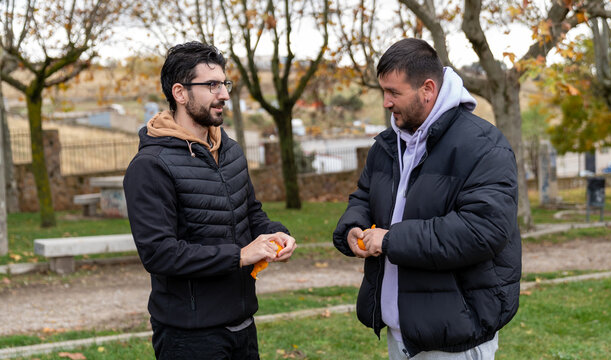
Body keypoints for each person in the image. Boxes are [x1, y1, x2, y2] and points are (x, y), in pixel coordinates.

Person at [333, 38, 521, 359]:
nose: (386, 102)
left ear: (428, 89)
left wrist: (390, 240)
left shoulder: (484, 145)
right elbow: (364, 197)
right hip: (401, 332)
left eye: (394, 92)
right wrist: (353, 227)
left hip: (456, 335)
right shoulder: (387, 144)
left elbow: (481, 231)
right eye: (383, 91)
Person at [124, 41, 296, 360]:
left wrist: (276, 233)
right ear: (180, 92)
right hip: (189, 336)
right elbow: (159, 253)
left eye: (224, 83)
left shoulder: (229, 150)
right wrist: (239, 256)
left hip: (242, 325)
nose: (225, 94)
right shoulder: (151, 165)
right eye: (212, 85)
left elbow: (251, 213)